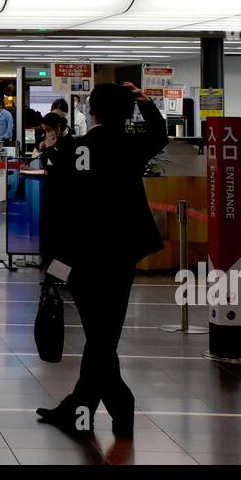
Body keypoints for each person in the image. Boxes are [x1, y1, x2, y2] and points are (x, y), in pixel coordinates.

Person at [37, 81, 167, 440]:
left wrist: (52, 265)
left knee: (100, 338)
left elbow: (56, 213)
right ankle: (78, 410)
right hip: (122, 254)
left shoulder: (75, 150)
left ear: (90, 111)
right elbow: (159, 135)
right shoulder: (131, 146)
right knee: (102, 337)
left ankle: (119, 407)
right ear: (127, 114)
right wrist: (146, 103)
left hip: (83, 257)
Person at [34, 111, 76, 273]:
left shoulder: (70, 144)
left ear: (58, 128)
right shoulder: (47, 142)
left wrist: (50, 149)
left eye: (49, 130)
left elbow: (62, 167)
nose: (47, 134)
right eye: (44, 130)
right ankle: (49, 272)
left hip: (64, 197)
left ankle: (60, 274)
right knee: (48, 234)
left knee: (62, 238)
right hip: (50, 192)